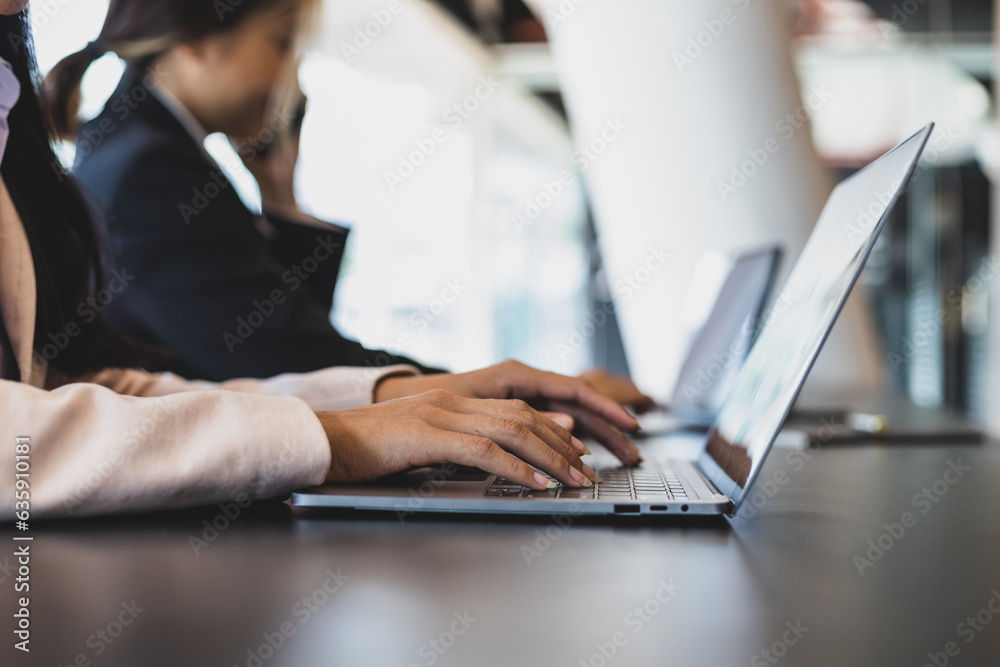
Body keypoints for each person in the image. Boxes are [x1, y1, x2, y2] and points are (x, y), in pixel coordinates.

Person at [0, 0, 642, 520]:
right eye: (281, 43)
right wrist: (385, 413)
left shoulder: (147, 153)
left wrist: (419, 394)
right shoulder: (146, 167)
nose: (293, 81)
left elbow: (76, 389)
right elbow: (278, 347)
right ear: (194, 39)